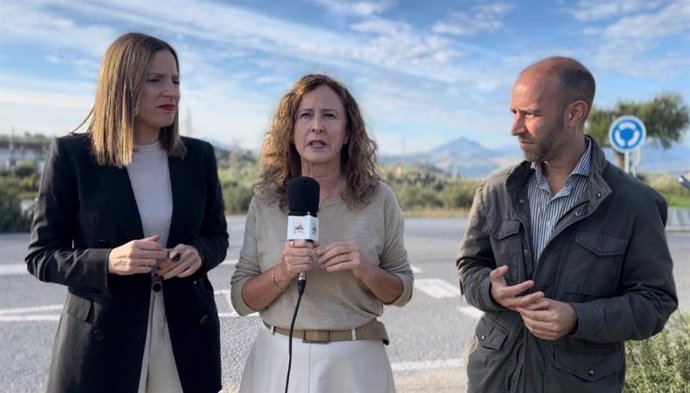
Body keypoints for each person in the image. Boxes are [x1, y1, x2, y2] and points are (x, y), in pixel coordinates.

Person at [456, 56, 677, 393]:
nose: (515, 128)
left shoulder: (635, 203)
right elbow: (470, 266)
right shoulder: (495, 191)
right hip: (494, 379)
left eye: (530, 114)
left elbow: (654, 303)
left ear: (575, 113)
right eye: (513, 113)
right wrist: (491, 290)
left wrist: (577, 317)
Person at [26, 32, 228, 393]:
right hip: (105, 339)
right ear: (121, 85)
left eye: (176, 80)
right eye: (155, 80)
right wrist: (108, 260)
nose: (172, 92)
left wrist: (197, 253)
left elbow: (217, 237)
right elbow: (41, 257)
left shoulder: (198, 156)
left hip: (185, 335)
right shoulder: (73, 156)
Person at [230, 74, 413, 392]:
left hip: (355, 365)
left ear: (346, 133)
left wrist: (365, 269)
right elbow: (240, 300)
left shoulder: (378, 198)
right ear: (291, 131)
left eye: (329, 115)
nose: (317, 126)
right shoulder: (267, 200)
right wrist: (283, 271)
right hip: (277, 362)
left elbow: (403, 291)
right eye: (305, 115)